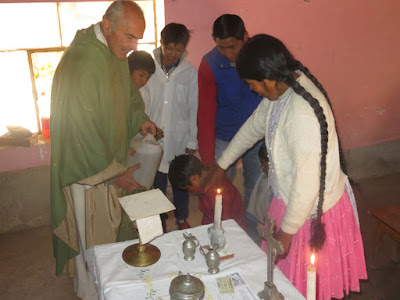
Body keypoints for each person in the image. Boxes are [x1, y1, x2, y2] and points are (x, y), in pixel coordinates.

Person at [210, 34, 367, 299]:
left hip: (311, 210)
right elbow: (252, 128)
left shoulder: (301, 114)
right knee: (282, 281)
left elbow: (306, 183)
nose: (252, 90)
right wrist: (221, 164)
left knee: (303, 285)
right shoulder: (281, 91)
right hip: (291, 200)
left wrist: (288, 231)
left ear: (268, 79)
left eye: (252, 84)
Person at [50, 1, 156, 299]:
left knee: (110, 233)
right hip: (87, 170)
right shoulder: (81, 61)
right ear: (107, 27)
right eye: (130, 36)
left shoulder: (115, 52)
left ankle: (107, 280)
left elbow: (128, 95)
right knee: (91, 236)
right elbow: (79, 129)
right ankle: (89, 287)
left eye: (138, 37)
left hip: (111, 161)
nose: (134, 46)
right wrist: (112, 174)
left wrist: (141, 118)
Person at [197, 14, 263, 233]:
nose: (228, 53)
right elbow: (205, 114)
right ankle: (221, 236)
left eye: (232, 46)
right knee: (218, 193)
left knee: (257, 192)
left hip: (258, 137)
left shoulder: (260, 56)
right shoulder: (210, 65)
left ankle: (253, 238)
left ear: (245, 37)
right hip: (225, 137)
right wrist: (208, 160)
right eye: (221, 47)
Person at [140, 23, 198, 230]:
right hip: (154, 137)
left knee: (180, 181)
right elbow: (143, 99)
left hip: (179, 138)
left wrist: (192, 139)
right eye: (169, 47)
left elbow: (194, 106)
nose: (173, 53)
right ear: (161, 44)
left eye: (178, 49)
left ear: (184, 48)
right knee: (158, 182)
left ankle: (181, 217)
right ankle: (161, 221)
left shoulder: (189, 73)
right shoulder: (150, 68)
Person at [168, 154, 246, 231]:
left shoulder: (213, 192)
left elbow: (225, 223)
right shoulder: (207, 175)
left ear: (194, 179)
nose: (189, 192)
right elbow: (208, 215)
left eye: (188, 189)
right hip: (213, 224)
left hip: (231, 230)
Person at [246, 143, 273, 244]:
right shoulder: (263, 177)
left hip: (267, 224)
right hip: (254, 218)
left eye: (264, 164)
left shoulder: (277, 189)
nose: (261, 167)